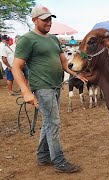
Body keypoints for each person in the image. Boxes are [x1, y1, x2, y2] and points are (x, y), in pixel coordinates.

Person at [12, 5, 87, 173]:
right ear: (34, 20)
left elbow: (63, 63)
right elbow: (16, 67)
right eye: (45, 19)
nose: (49, 22)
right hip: (42, 87)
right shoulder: (27, 39)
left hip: (56, 85)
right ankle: (59, 162)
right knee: (54, 123)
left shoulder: (53, 39)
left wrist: (75, 74)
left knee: (48, 122)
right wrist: (25, 91)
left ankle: (43, 156)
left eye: (50, 18)